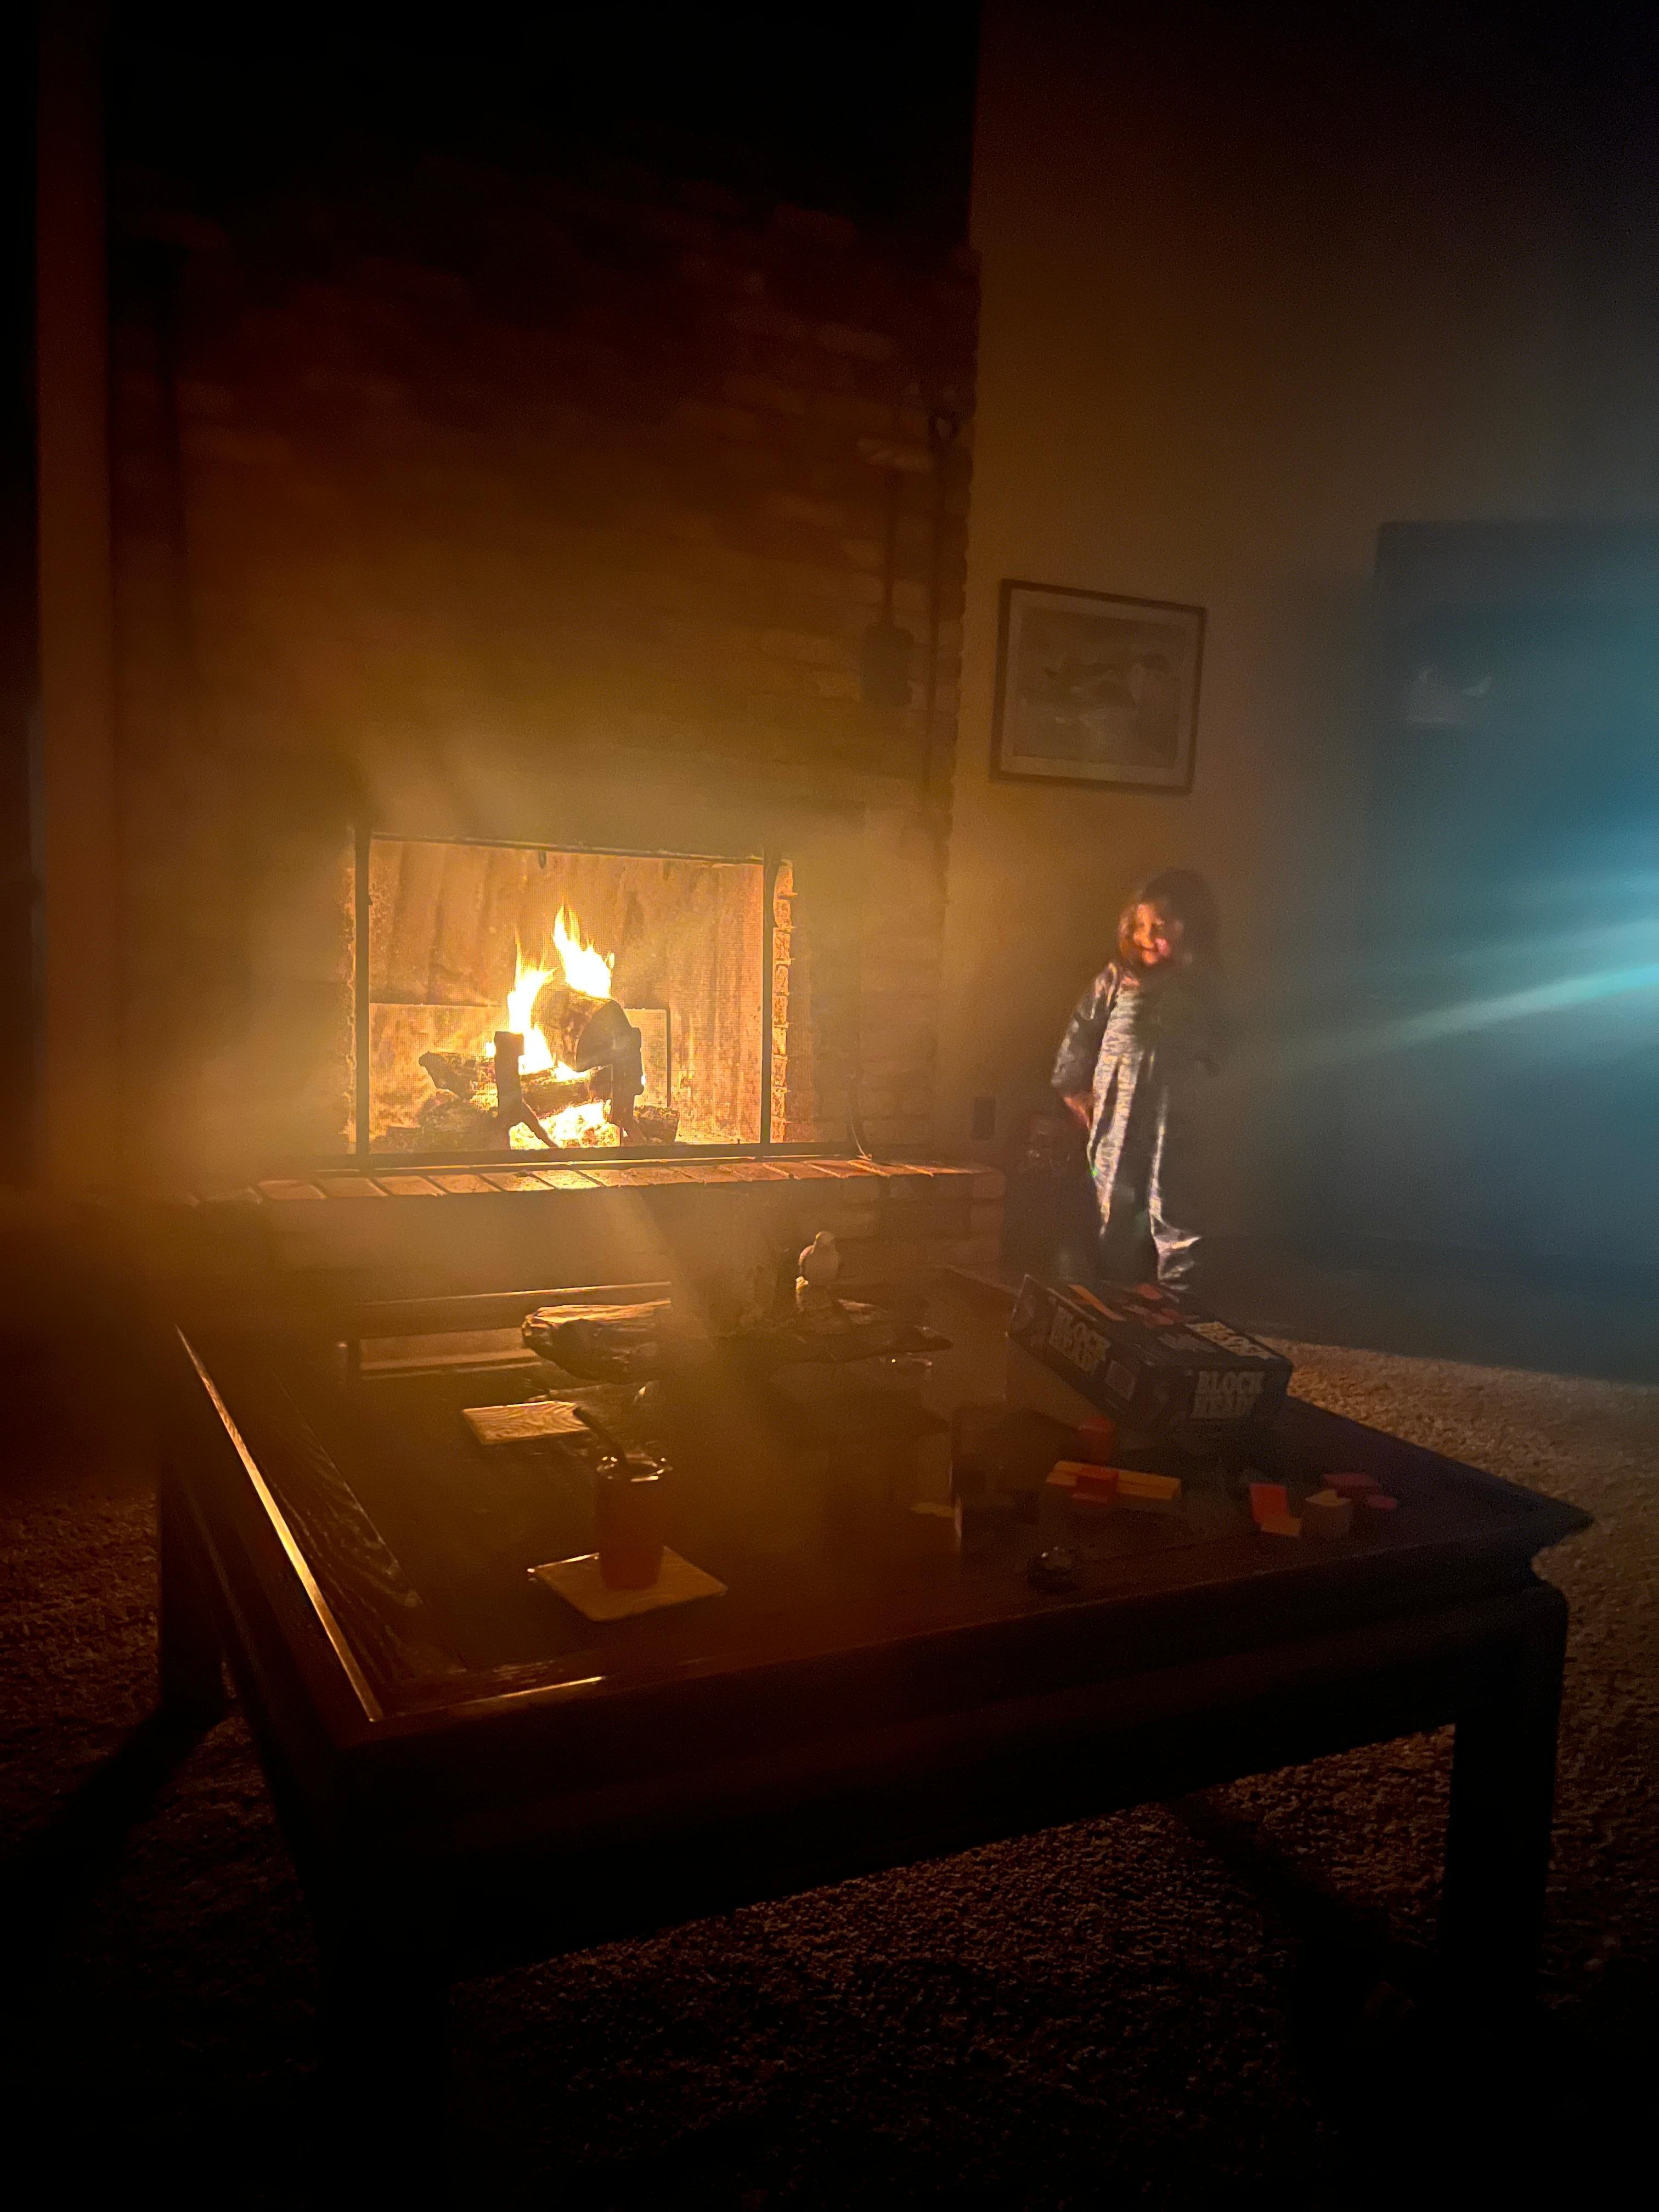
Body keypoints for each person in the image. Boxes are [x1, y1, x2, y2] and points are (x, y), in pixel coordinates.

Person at [1052, 870, 1231, 1293]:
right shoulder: (1118, 979)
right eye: (1140, 926)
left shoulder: (1205, 988)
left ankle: (1178, 1297)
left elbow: (1224, 1042)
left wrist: (1210, 1074)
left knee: (1176, 1207)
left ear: (1193, 929)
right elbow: (1082, 1029)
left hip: (1177, 1121)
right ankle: (1115, 1291)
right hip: (1118, 1115)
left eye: (1161, 927)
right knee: (1115, 1202)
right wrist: (1074, 1089)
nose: (1147, 937)